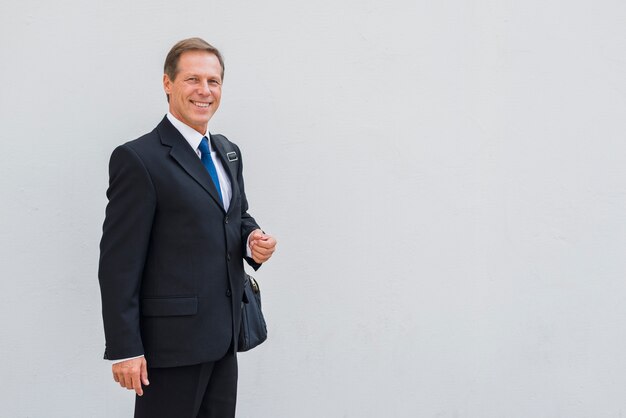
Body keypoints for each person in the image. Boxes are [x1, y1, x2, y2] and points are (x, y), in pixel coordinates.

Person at [98, 37, 277, 418]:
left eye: (213, 81)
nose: (204, 91)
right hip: (170, 347)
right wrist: (125, 348)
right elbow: (118, 264)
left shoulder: (227, 151)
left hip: (225, 337)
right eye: (192, 79)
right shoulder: (138, 159)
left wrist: (251, 239)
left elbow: (235, 215)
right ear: (168, 83)